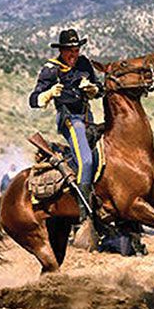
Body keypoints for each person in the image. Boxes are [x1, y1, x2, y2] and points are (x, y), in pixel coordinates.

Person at [29, 28, 103, 222]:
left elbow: (100, 89)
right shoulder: (51, 69)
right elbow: (34, 99)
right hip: (70, 119)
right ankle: (83, 213)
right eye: (70, 49)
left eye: (76, 49)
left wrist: (93, 89)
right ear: (61, 50)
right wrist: (49, 93)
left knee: (102, 157)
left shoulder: (84, 63)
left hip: (88, 118)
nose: (74, 53)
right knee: (85, 160)